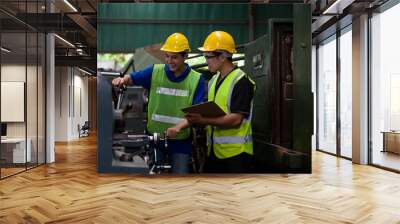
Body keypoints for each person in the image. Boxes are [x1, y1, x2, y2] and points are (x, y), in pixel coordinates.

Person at [112, 33, 205, 174]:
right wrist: (122, 80)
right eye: (167, 56)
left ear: (185, 56)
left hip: (180, 141)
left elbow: (197, 113)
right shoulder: (155, 72)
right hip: (156, 139)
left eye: (174, 57)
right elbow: (132, 78)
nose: (169, 61)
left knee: (180, 180)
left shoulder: (197, 80)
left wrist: (179, 127)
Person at [184, 31, 255, 173]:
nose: (206, 61)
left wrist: (203, 120)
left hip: (236, 155)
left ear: (222, 57)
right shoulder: (213, 81)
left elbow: (236, 120)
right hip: (214, 152)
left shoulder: (241, 82)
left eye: (208, 57)